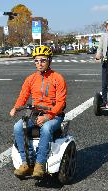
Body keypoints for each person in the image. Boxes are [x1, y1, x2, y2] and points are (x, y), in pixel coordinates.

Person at [10, 45, 67, 178]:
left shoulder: (58, 78)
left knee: (46, 129)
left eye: (43, 60)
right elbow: (23, 96)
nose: (39, 63)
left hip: (54, 115)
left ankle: (39, 164)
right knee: (18, 127)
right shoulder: (31, 78)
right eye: (36, 61)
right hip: (35, 113)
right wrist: (16, 108)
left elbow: (61, 103)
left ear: (49, 61)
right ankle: (26, 163)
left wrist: (48, 116)